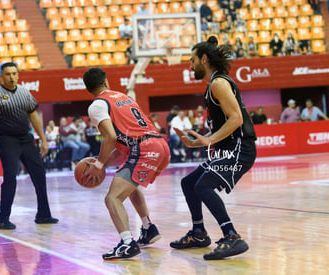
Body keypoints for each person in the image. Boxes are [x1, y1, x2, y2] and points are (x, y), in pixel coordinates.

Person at [169, 41, 257, 260]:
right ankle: (199, 233)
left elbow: (236, 118)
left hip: (240, 149)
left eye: (192, 60)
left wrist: (210, 141)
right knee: (188, 183)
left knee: (203, 185)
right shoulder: (212, 86)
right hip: (229, 148)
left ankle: (232, 236)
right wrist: (197, 142)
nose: (190, 65)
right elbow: (221, 129)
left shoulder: (218, 83)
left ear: (204, 60)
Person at [83, 68, 170, 260]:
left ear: (88, 89)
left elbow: (110, 137)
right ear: (106, 82)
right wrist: (103, 163)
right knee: (128, 184)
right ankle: (148, 228)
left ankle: (127, 243)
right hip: (160, 144)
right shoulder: (122, 97)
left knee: (112, 198)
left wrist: (98, 163)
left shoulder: (97, 105)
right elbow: (121, 145)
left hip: (144, 149)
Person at [0, 62, 58, 230]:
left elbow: (34, 117)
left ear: (18, 75)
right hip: (7, 141)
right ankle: (3, 219)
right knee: (10, 177)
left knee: (39, 174)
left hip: (26, 139)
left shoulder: (24, 92)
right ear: (1, 77)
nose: (11, 77)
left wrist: (43, 139)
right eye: (8, 74)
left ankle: (43, 214)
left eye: (14, 73)